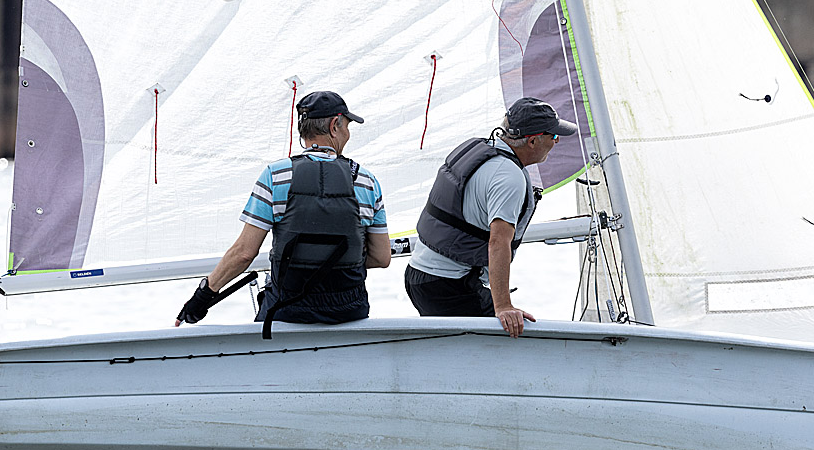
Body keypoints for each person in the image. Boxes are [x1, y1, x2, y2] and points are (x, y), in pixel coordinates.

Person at [176, 91, 391, 336]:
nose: (347, 134)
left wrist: (202, 297)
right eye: (347, 127)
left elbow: (244, 253)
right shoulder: (367, 181)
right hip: (348, 314)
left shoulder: (275, 175)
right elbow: (381, 258)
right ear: (334, 126)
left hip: (287, 313)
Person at [405, 97, 577, 338]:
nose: (555, 142)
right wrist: (504, 306)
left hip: (418, 275)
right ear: (533, 141)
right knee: (515, 337)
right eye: (554, 137)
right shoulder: (509, 177)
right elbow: (498, 242)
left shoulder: (478, 149)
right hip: (448, 286)